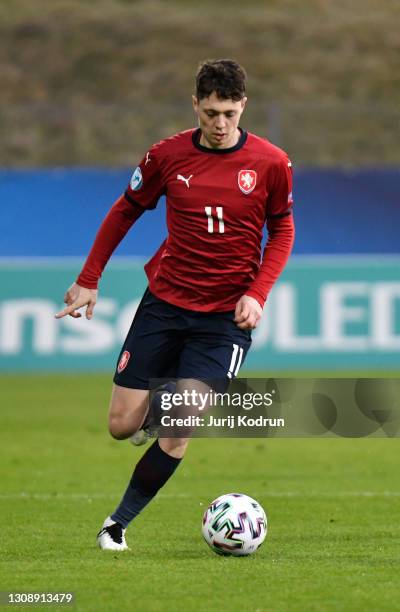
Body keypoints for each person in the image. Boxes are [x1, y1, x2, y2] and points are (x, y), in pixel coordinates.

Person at [55, 59, 295, 551]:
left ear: (243, 106)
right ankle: (157, 412)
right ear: (196, 105)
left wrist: (259, 292)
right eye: (211, 112)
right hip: (164, 304)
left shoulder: (271, 163)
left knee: (182, 423)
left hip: (225, 318)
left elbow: (283, 230)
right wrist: (88, 279)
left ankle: (115, 525)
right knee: (121, 426)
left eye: (229, 112)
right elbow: (125, 210)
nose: (221, 123)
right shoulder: (166, 156)